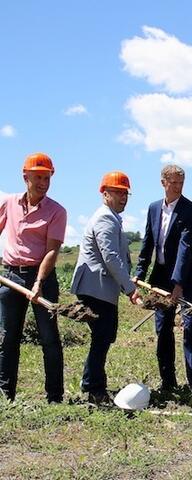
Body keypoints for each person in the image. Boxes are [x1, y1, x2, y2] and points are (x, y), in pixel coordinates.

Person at [134, 165, 192, 394]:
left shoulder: (191, 210)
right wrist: (139, 274)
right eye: (173, 183)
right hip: (161, 275)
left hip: (188, 275)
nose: (177, 187)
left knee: (191, 326)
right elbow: (148, 242)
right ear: (163, 182)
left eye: (181, 183)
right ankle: (168, 381)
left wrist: (178, 283)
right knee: (162, 328)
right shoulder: (154, 208)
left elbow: (186, 247)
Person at [0, 153, 66, 402]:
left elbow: (52, 250)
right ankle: (6, 396)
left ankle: (55, 396)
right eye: (38, 177)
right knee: (8, 338)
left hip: (43, 277)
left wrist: (38, 283)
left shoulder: (56, 211)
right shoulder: (9, 203)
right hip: (11, 276)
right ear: (25, 176)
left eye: (47, 177)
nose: (43, 182)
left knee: (49, 339)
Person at [70, 171, 141, 404]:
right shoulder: (105, 218)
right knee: (102, 337)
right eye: (118, 193)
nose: (123, 198)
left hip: (100, 287)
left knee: (104, 336)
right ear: (105, 193)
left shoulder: (111, 217)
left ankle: (92, 382)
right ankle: (94, 388)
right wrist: (129, 288)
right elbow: (110, 256)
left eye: (125, 193)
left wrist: (128, 280)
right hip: (95, 287)